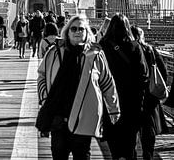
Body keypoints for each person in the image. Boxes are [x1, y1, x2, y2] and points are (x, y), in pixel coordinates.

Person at [37, 15, 120, 160]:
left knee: (82, 156)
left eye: (81, 29)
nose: (77, 32)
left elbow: (107, 82)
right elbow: (42, 76)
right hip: (58, 117)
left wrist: (114, 110)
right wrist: (44, 98)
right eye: (73, 28)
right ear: (67, 32)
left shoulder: (96, 55)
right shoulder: (54, 52)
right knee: (58, 156)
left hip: (84, 118)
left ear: (87, 32)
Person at [99, 13, 149, 160]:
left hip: (109, 102)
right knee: (130, 144)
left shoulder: (103, 46)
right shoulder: (135, 46)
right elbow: (144, 75)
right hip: (131, 103)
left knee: (114, 143)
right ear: (127, 27)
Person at [131, 25, 168, 160]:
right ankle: (148, 154)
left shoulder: (127, 50)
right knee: (148, 128)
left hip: (132, 95)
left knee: (132, 128)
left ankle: (133, 154)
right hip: (150, 95)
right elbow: (163, 71)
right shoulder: (150, 50)